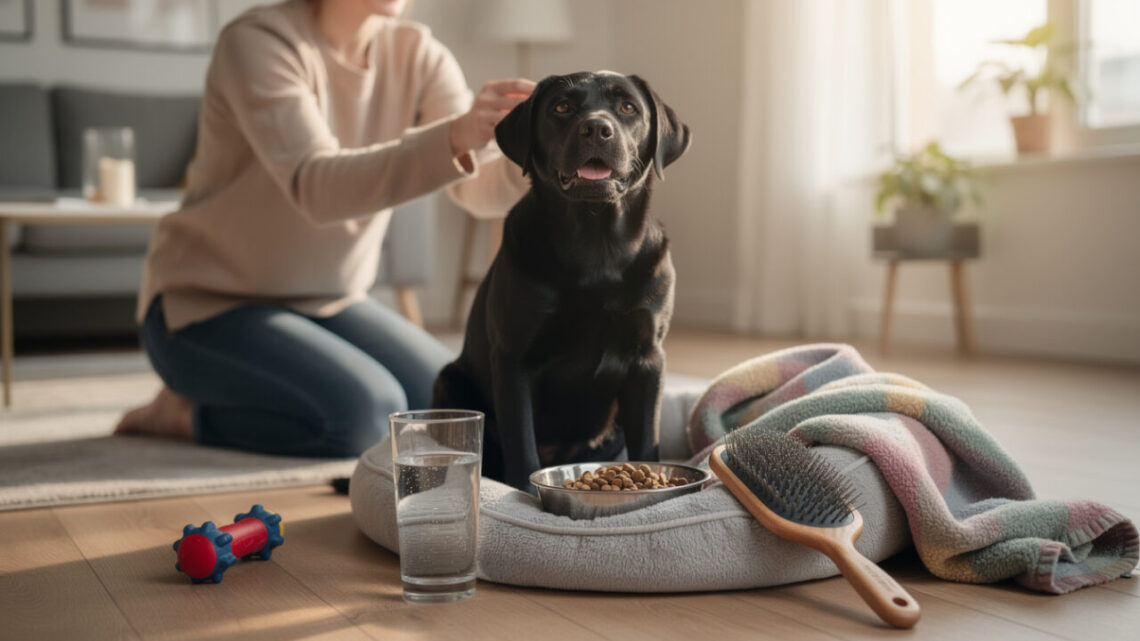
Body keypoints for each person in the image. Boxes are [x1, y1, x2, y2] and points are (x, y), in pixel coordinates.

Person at [114, 0, 533, 458]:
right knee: (367, 416)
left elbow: (475, 188)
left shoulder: (420, 53)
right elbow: (318, 186)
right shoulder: (258, 42)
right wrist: (455, 136)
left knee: (460, 403)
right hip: (205, 307)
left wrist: (547, 159)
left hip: (329, 301)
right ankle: (182, 414)